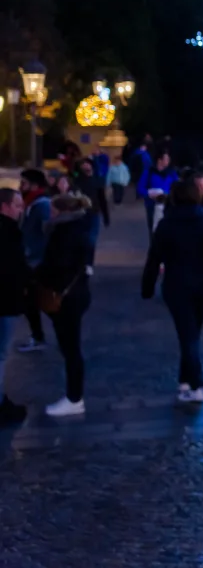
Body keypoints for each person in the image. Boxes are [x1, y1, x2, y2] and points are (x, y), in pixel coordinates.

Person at [141, 177, 203, 402]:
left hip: (176, 286)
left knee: (188, 335)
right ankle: (186, 381)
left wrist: (147, 286)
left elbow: (154, 259)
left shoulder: (166, 224)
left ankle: (195, 384)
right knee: (192, 334)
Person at [37, 193, 95, 417]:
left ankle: (74, 398)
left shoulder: (64, 233)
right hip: (76, 294)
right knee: (70, 347)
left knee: (70, 348)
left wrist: (38, 277)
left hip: (67, 296)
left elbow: (57, 266)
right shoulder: (79, 228)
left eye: (52, 211)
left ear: (61, 212)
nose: (49, 215)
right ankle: (74, 396)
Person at [0, 189, 30, 425]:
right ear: (6, 206)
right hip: (5, 302)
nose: (21, 210)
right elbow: (14, 268)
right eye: (18, 205)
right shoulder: (9, 233)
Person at [17, 169, 52, 353]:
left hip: (37, 262)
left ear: (35, 186)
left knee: (36, 301)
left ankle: (40, 337)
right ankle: (38, 336)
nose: (20, 187)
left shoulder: (42, 205)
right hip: (29, 261)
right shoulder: (29, 204)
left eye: (24, 183)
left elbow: (48, 234)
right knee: (30, 302)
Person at [138, 149, 177, 235]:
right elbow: (140, 188)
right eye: (166, 159)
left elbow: (177, 187)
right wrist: (149, 193)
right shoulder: (149, 172)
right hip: (152, 206)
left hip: (168, 205)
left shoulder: (171, 173)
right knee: (154, 230)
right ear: (159, 160)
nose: (168, 161)